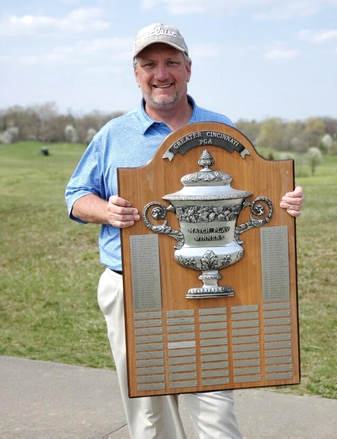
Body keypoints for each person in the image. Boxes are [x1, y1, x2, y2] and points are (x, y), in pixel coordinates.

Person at [65, 23, 304, 439]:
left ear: (189, 68)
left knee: (215, 407)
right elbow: (75, 195)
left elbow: (257, 195)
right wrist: (105, 211)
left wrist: (285, 204)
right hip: (134, 290)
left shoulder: (222, 129)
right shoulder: (113, 135)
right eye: (149, 64)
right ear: (136, 73)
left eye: (171, 62)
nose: (161, 73)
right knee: (150, 416)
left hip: (213, 287)